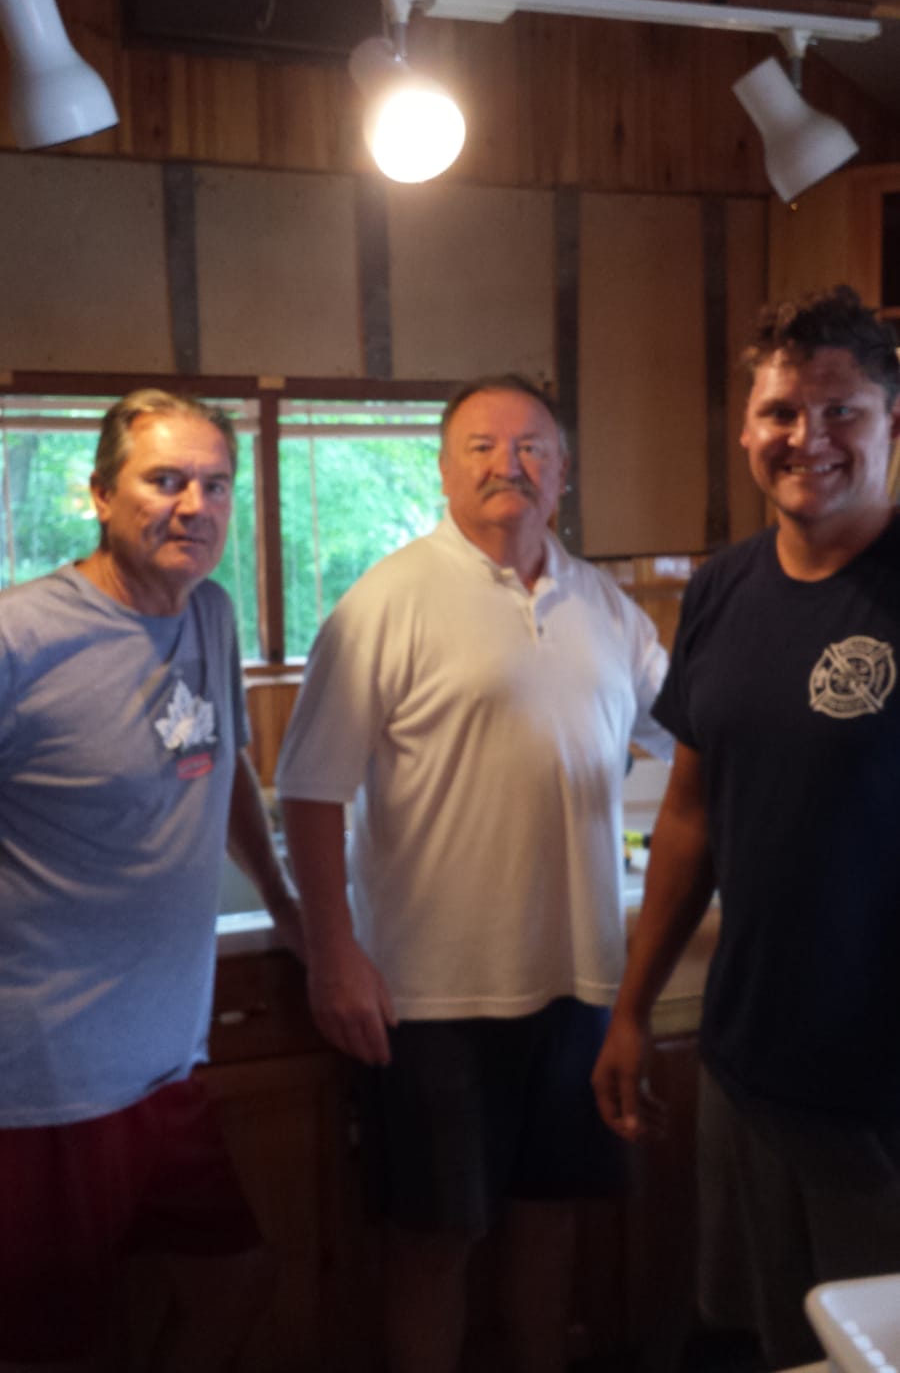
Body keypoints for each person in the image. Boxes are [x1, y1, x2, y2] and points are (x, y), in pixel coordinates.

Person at [276, 373, 671, 1373]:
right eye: (483, 447)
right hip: (430, 996)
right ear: (445, 471)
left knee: (550, 1226)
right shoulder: (387, 599)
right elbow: (309, 790)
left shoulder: (606, 606)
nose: (510, 465)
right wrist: (333, 953)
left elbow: (695, 733)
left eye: (533, 446)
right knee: (434, 1242)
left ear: (563, 471)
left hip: (578, 981)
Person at [593, 287, 900, 1369]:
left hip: (880, 1097)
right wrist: (633, 1009)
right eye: (781, 411)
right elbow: (690, 816)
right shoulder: (722, 588)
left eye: (841, 411)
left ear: (890, 421)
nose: (807, 437)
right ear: (745, 427)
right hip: (749, 1066)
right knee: (771, 1344)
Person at [0, 389, 304, 1373]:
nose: (194, 506)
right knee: (54, 1344)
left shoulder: (208, 610)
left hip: (165, 1064)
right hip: (47, 1081)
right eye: (164, 479)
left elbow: (225, 767)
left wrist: (289, 905)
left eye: (215, 484)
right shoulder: (22, 638)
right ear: (100, 494)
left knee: (237, 1280)